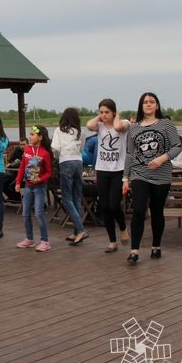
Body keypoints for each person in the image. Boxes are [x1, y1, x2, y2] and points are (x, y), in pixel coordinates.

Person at [121, 92, 182, 264]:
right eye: (145, 102)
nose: (148, 104)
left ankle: (156, 246)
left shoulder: (166, 124)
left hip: (161, 175)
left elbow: (178, 146)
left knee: (156, 211)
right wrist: (125, 178)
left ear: (157, 106)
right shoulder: (134, 128)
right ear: (141, 106)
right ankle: (134, 251)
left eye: (152, 102)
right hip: (139, 174)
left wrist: (162, 158)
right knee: (139, 210)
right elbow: (129, 154)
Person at [86, 99, 131, 253]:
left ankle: (123, 229)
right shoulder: (99, 126)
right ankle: (112, 241)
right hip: (103, 170)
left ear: (113, 112)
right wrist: (100, 117)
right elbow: (88, 125)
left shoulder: (123, 123)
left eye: (106, 112)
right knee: (104, 206)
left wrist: (116, 116)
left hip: (119, 170)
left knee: (114, 205)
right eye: (101, 112)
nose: (103, 115)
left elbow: (118, 127)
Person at [15, 125, 54, 252]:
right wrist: (18, 182)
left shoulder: (45, 153)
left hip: (40, 187)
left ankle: (45, 241)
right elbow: (22, 167)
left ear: (40, 137)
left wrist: (41, 179)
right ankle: (29, 239)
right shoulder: (27, 150)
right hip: (28, 186)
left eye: (32, 134)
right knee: (25, 214)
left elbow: (49, 172)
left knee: (38, 213)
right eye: (30, 134)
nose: (30, 137)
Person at [52, 107, 88, 245]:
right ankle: (76, 233)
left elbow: (55, 147)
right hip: (78, 162)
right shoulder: (80, 131)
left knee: (67, 199)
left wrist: (57, 157)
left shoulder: (59, 130)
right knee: (76, 198)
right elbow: (82, 149)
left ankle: (81, 230)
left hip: (66, 162)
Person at [3, 137, 28, 202]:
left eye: (23, 144)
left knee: (13, 184)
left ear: (27, 144)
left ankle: (18, 199)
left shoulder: (30, 150)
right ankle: (13, 198)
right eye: (20, 144)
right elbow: (10, 160)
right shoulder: (17, 149)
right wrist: (16, 162)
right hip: (15, 173)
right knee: (2, 182)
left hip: (26, 175)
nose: (22, 146)